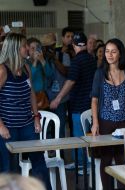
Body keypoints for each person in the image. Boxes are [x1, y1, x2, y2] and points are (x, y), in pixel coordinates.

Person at [0, 33, 51, 190]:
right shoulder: (2, 70)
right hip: (8, 127)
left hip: (27, 124)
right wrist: (1, 126)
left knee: (39, 163)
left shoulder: (26, 67)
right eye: (24, 45)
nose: (28, 48)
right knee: (9, 168)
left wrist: (36, 117)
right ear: (15, 48)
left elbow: (31, 94)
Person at [91, 38, 125, 190]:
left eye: (113, 51)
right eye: (107, 51)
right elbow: (94, 101)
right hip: (105, 122)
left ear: (120, 54)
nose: (109, 55)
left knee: (123, 159)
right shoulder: (99, 73)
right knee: (106, 159)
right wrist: (95, 123)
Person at [50, 32, 96, 174]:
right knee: (89, 135)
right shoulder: (91, 59)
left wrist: (57, 99)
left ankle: (82, 164)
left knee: (79, 136)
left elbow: (70, 81)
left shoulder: (77, 61)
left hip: (79, 105)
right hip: (90, 104)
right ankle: (84, 162)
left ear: (74, 45)